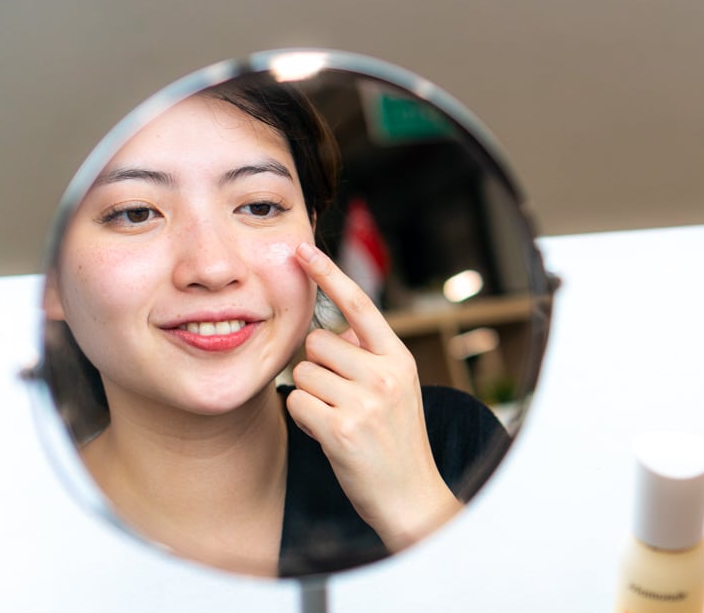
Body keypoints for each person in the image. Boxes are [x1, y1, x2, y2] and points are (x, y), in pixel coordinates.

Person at [40, 72, 506, 578]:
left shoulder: (447, 447)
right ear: (49, 278)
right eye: (135, 213)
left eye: (259, 206)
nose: (213, 267)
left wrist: (416, 509)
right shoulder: (9, 532)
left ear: (313, 231)